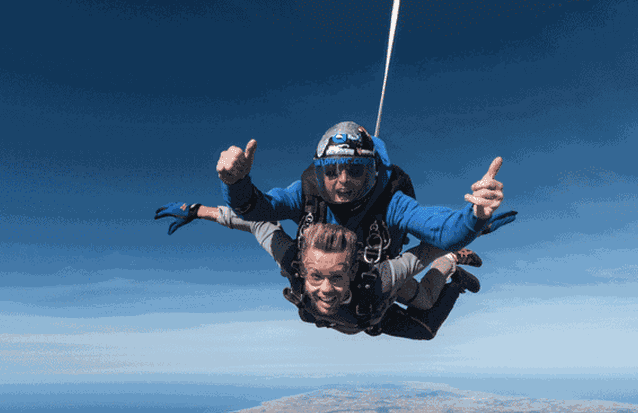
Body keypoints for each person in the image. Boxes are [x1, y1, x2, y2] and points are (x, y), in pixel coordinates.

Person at [154, 203, 482, 339]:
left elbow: (421, 253)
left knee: (424, 308)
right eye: (316, 277)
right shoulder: (293, 263)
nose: (325, 289)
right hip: (365, 317)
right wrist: (197, 211)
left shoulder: (379, 279)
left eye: (337, 277)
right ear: (304, 270)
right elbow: (256, 221)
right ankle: (450, 263)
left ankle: (452, 264)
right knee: (420, 306)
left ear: (351, 272)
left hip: (375, 304)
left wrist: (472, 224)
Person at [215, 121, 514, 261]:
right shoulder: (306, 192)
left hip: (378, 269)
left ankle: (453, 264)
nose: (343, 180)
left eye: (356, 170)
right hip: (332, 279)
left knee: (419, 306)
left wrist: (474, 216)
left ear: (372, 172)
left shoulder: (390, 201)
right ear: (320, 173)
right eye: (331, 171)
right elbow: (259, 209)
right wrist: (236, 184)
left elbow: (438, 229)